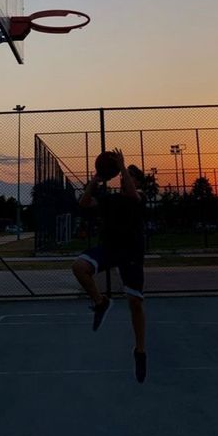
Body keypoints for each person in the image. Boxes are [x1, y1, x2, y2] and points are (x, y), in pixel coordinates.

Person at [72, 148, 147, 383]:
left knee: (135, 303)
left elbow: (133, 195)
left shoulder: (139, 197)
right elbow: (83, 202)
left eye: (131, 175)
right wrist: (96, 178)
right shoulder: (109, 199)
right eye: (126, 173)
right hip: (110, 249)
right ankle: (101, 302)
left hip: (131, 253)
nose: (127, 177)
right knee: (79, 267)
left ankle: (140, 351)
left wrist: (123, 166)